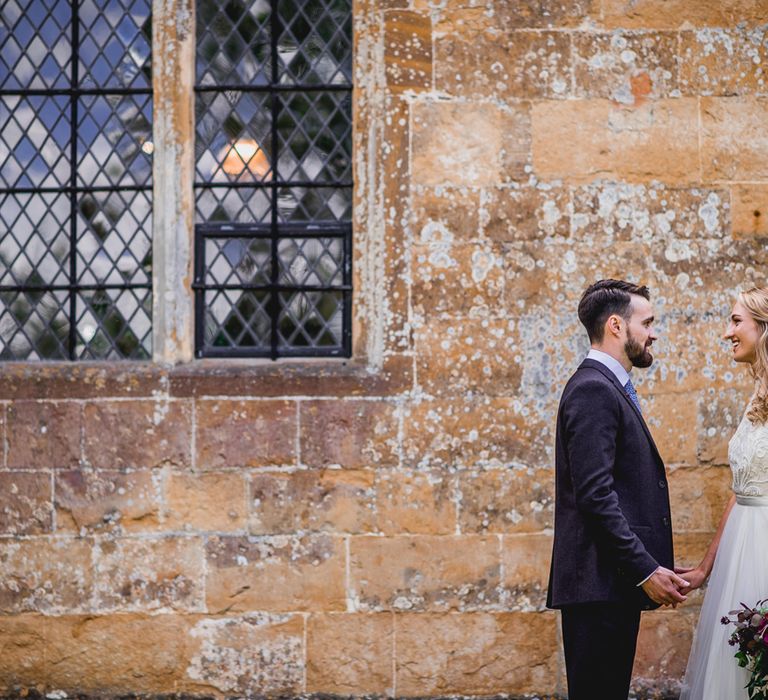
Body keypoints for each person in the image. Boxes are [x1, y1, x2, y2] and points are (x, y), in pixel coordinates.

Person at [546, 279, 689, 700]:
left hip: (608, 586)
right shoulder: (593, 389)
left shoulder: (605, 387)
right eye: (647, 322)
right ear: (615, 326)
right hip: (598, 587)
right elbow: (596, 497)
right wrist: (644, 569)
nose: (653, 332)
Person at [679, 287, 768, 699]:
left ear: (763, 328)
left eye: (736, 322)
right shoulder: (756, 395)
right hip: (739, 553)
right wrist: (704, 569)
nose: (727, 331)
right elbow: (741, 488)